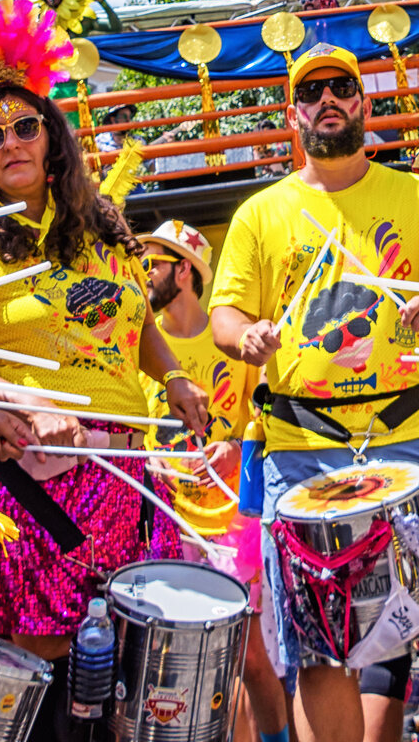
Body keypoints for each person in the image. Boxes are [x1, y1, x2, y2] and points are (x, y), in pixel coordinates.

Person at [0, 0, 209, 742]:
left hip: (122, 463)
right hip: (31, 467)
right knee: (42, 674)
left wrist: (176, 378)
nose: (12, 143)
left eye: (26, 126)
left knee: (123, 669)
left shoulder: (107, 230)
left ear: (51, 135)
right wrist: (22, 398)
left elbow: (138, 323)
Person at [210, 43, 419, 742]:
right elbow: (226, 314)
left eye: (342, 87)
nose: (328, 101)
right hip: (303, 448)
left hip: (413, 433)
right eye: (313, 93)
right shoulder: (260, 213)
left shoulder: (417, 195)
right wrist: (245, 338)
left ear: (363, 104)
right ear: (293, 114)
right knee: (319, 647)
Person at [140, 219, 288, 742]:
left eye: (151, 263)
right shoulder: (144, 347)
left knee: (248, 656)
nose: (142, 274)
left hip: (233, 526)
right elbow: (135, 429)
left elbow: (266, 412)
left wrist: (234, 448)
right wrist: (150, 461)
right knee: (170, 664)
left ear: (183, 271)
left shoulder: (231, 339)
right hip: (167, 523)